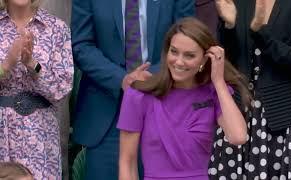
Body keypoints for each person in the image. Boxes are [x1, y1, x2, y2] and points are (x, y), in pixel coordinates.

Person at [71, 0, 194, 179]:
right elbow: (81, 44)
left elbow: (189, 40)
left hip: (163, 106)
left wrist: (148, 77)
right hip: (107, 114)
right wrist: (122, 79)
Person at [117, 17, 248, 180]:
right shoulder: (139, 95)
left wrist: (219, 81)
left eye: (189, 55)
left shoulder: (213, 93)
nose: (179, 61)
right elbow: (127, 163)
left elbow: (238, 136)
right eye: (174, 51)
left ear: (204, 59)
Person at [209, 0, 291, 179]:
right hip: (238, 112)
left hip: (283, 117)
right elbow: (227, 58)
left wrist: (261, 31)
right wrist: (228, 25)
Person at [0, 0, 74, 179]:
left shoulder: (56, 28)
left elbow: (62, 90)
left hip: (41, 133)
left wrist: (33, 65)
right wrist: (7, 64)